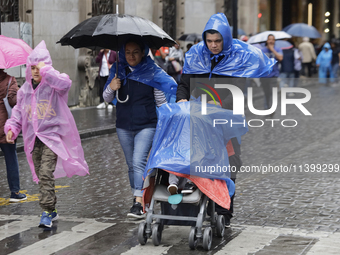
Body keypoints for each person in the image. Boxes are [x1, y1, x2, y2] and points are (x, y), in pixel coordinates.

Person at [176, 13, 275, 226]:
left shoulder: (237, 57)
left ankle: (224, 210)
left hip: (227, 119)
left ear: (226, 40)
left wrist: (217, 105)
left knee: (230, 162)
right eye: (209, 41)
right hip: (199, 118)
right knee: (198, 160)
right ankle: (201, 200)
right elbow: (184, 82)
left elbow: (237, 90)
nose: (213, 45)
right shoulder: (196, 56)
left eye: (217, 41)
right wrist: (181, 98)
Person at [5, 41, 89, 228]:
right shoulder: (24, 90)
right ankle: (52, 209)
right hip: (33, 140)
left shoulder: (54, 86)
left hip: (52, 137)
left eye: (39, 67)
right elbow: (18, 112)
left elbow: (65, 83)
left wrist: (47, 71)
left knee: (45, 173)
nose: (36, 71)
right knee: (39, 174)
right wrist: (11, 128)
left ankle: (47, 210)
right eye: (33, 67)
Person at [103, 38, 177, 219]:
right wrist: (112, 87)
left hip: (147, 124)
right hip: (124, 125)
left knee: (138, 162)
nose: (131, 56)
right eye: (127, 52)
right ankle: (138, 197)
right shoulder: (118, 71)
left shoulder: (151, 72)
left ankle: (139, 202)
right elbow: (106, 98)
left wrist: (169, 122)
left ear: (143, 52)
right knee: (131, 165)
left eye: (135, 51)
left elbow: (161, 101)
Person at [0, 69, 27, 202]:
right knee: (11, 159)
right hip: (6, 128)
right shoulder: (10, 80)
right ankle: (15, 192)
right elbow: (12, 101)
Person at [260, 34, 283, 115]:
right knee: (266, 92)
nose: (271, 41)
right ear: (267, 40)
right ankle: (267, 107)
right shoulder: (262, 50)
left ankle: (271, 109)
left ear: (274, 41)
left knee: (272, 92)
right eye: (269, 39)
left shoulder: (277, 49)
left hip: (274, 74)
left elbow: (280, 58)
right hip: (264, 75)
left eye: (272, 39)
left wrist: (272, 50)